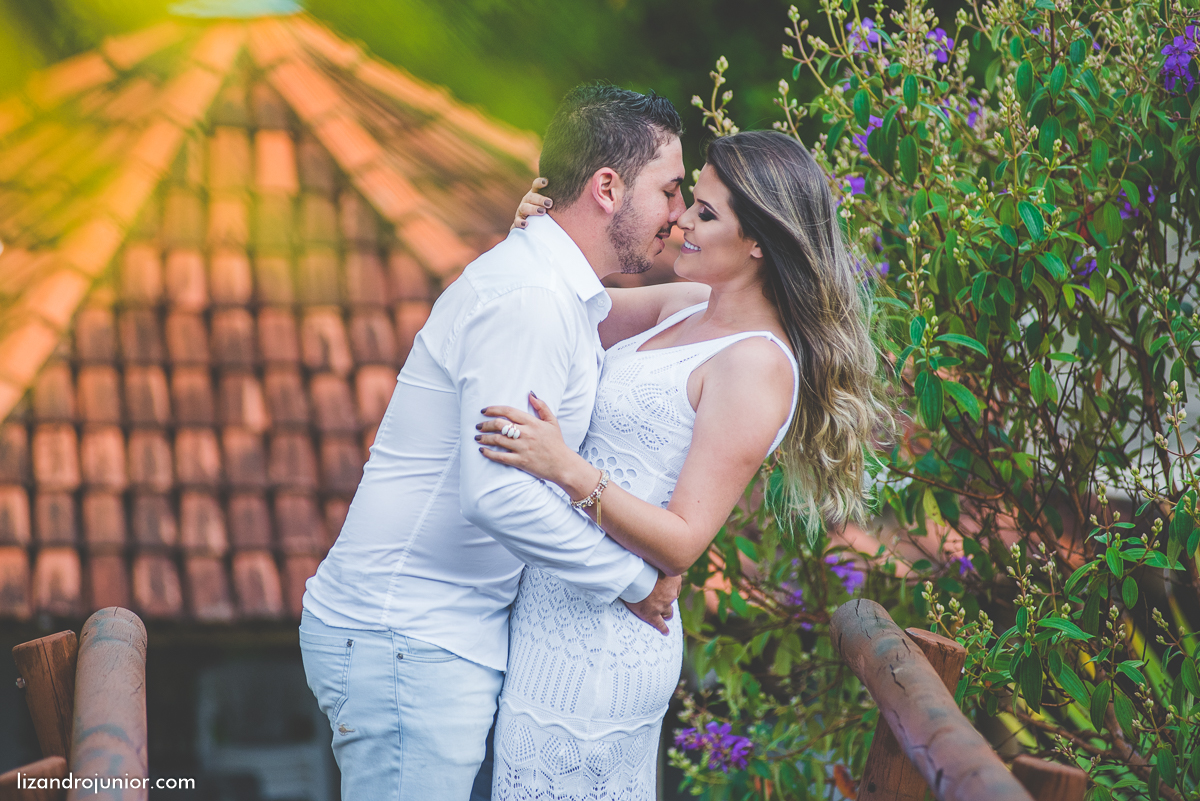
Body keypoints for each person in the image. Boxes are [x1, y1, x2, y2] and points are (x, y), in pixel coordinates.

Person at [298, 84, 689, 801]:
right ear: (608, 187)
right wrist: (635, 581)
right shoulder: (533, 300)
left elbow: (708, 306)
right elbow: (499, 492)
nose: (678, 213)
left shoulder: (549, 287)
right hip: (407, 638)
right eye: (669, 190)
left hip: (428, 635)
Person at [480, 130, 889, 799]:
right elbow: (558, 307)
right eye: (688, 203)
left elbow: (684, 537)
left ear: (758, 240)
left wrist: (565, 468)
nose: (680, 221)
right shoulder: (688, 305)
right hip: (553, 614)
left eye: (705, 211)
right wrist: (534, 237)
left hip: (608, 642)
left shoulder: (756, 365)